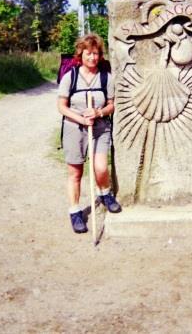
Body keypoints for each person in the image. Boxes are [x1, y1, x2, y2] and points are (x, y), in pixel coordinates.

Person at [57, 33, 121, 234]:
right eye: (88, 53)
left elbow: (112, 105)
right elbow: (61, 106)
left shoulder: (106, 77)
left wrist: (99, 112)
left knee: (101, 168)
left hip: (100, 128)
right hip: (74, 128)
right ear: (80, 54)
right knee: (75, 172)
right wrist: (81, 119)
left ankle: (105, 193)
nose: (93, 57)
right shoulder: (71, 77)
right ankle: (75, 212)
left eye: (96, 53)